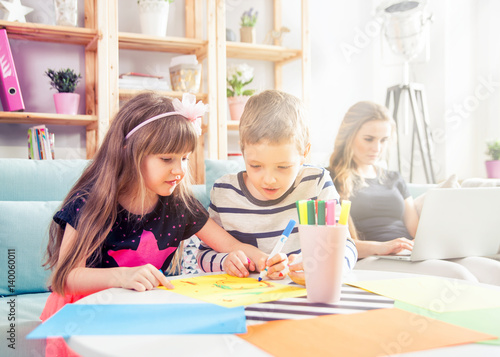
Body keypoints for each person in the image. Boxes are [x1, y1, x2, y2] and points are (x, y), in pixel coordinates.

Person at [41, 92, 269, 323]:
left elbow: (230, 245)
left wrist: (266, 260)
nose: (179, 170)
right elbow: (66, 277)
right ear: (128, 151)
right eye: (166, 159)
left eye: (184, 158)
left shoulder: (179, 206)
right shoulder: (89, 202)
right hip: (81, 314)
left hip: (135, 312)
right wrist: (122, 276)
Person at [327, 100, 500, 285]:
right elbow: (335, 244)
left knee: (493, 272)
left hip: (406, 253)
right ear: (348, 136)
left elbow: (417, 230)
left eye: (384, 140)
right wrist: (382, 247)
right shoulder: (329, 179)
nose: (377, 148)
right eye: (369, 139)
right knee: (460, 277)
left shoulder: (394, 178)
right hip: (370, 257)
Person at [196, 90, 358, 283]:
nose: (269, 180)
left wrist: (326, 265)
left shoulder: (316, 182)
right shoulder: (225, 192)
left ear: (304, 153)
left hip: (302, 296)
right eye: (255, 166)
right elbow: (204, 255)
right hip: (248, 297)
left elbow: (346, 246)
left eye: (283, 167)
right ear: (242, 150)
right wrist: (226, 261)